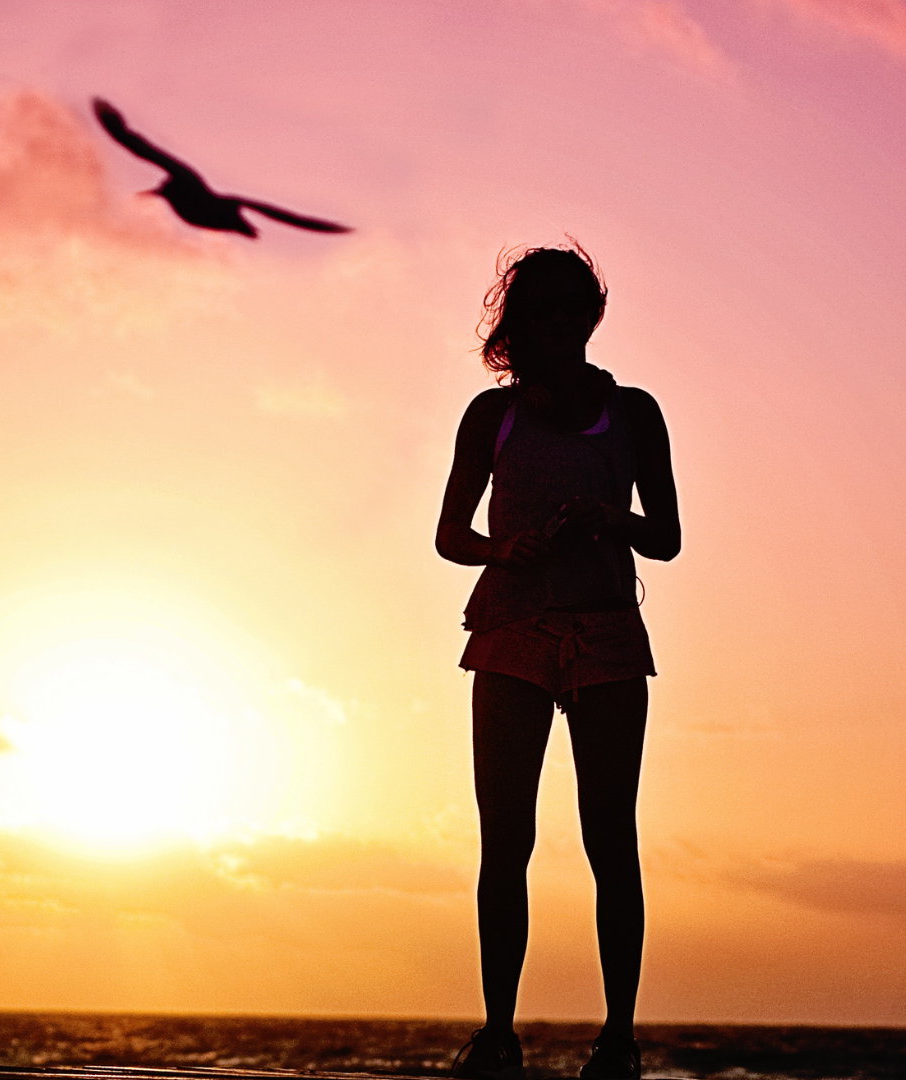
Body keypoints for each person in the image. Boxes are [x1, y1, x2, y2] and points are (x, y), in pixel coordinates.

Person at [435, 246, 680, 1080]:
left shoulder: (635, 413)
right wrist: (505, 551)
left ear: (591, 314)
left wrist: (615, 518)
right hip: (511, 628)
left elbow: (669, 537)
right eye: (540, 308)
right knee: (507, 839)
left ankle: (618, 1039)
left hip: (608, 633)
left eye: (572, 306)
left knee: (612, 839)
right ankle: (498, 1033)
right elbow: (449, 535)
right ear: (518, 319)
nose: (558, 322)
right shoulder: (490, 415)